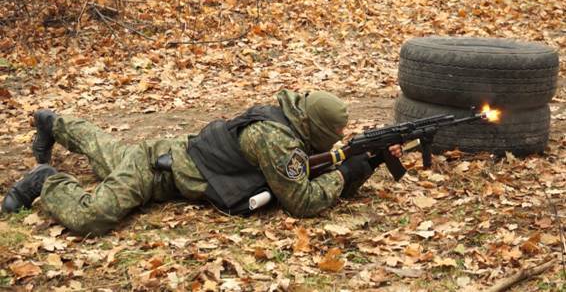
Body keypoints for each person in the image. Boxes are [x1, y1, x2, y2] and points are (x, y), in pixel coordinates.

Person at [1, 90, 402, 235]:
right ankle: (45, 180)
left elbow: (307, 168)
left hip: (169, 156)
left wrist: (362, 164)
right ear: (313, 127)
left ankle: (54, 122)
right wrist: (348, 173)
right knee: (94, 216)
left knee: (106, 150)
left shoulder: (286, 120)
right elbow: (303, 202)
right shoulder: (274, 138)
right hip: (159, 170)